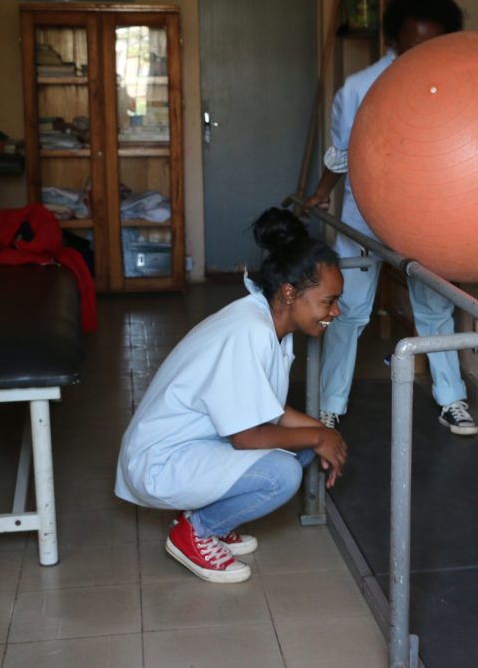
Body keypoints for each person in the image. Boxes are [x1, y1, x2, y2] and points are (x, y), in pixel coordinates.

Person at [114, 208, 348, 584]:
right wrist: (320, 436)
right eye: (328, 301)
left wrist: (324, 434)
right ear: (290, 293)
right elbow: (247, 436)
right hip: (161, 461)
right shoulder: (250, 332)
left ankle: (213, 520)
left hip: (195, 446)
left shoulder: (272, 324)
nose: (335, 311)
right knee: (282, 474)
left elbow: (269, 408)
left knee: (304, 446)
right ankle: (196, 531)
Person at [304, 0, 478, 436]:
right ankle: (329, 405)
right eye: (413, 43)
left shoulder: (455, 84)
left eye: (432, 43)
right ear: (394, 39)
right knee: (348, 310)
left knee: (435, 308)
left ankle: (451, 400)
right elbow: (342, 153)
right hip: (365, 215)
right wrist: (321, 193)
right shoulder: (360, 87)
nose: (421, 53)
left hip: (427, 215)